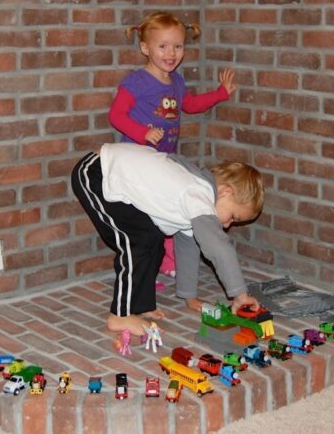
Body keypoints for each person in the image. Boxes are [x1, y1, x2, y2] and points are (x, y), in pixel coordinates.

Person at [71, 142, 264, 336]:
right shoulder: (197, 195)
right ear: (226, 192)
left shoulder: (196, 200)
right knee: (137, 241)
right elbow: (218, 247)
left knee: (152, 238)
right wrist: (240, 295)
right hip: (97, 171)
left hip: (110, 172)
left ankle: (140, 304)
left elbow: (188, 247)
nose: (227, 225)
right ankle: (120, 315)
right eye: (233, 216)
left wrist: (190, 297)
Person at [109, 11, 237, 278]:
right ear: (145, 48)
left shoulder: (176, 81)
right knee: (151, 217)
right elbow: (116, 116)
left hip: (165, 161)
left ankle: (167, 263)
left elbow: (188, 104)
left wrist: (219, 95)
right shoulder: (136, 82)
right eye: (163, 46)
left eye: (178, 46)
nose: (171, 53)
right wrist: (142, 133)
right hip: (139, 160)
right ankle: (153, 267)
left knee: (168, 213)